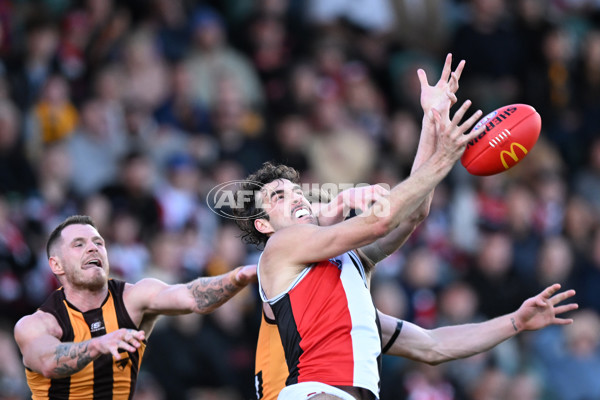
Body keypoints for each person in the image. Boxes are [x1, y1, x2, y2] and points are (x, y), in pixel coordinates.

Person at [233, 54, 572, 400]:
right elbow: (381, 220)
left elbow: (433, 345)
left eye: (296, 191)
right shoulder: (281, 247)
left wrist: (516, 321)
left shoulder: (350, 287)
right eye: (278, 196)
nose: (295, 198)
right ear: (264, 225)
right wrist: (444, 157)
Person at [13, 214, 256, 399]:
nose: (92, 247)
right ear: (56, 265)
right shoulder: (38, 323)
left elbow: (192, 296)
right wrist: (98, 344)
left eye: (98, 242)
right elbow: (47, 361)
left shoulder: (133, 297)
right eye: (79, 244)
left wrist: (238, 277)